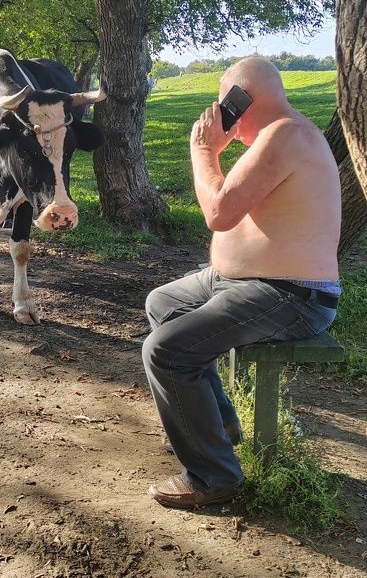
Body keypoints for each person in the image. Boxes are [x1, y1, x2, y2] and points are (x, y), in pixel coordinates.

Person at [142, 55, 342, 509]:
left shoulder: (286, 135)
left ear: (241, 99)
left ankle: (213, 478)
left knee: (166, 352)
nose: (218, 113)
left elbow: (218, 213)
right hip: (243, 283)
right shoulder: (276, 137)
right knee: (164, 303)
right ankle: (219, 427)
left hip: (290, 294)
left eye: (223, 102)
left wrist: (203, 150)